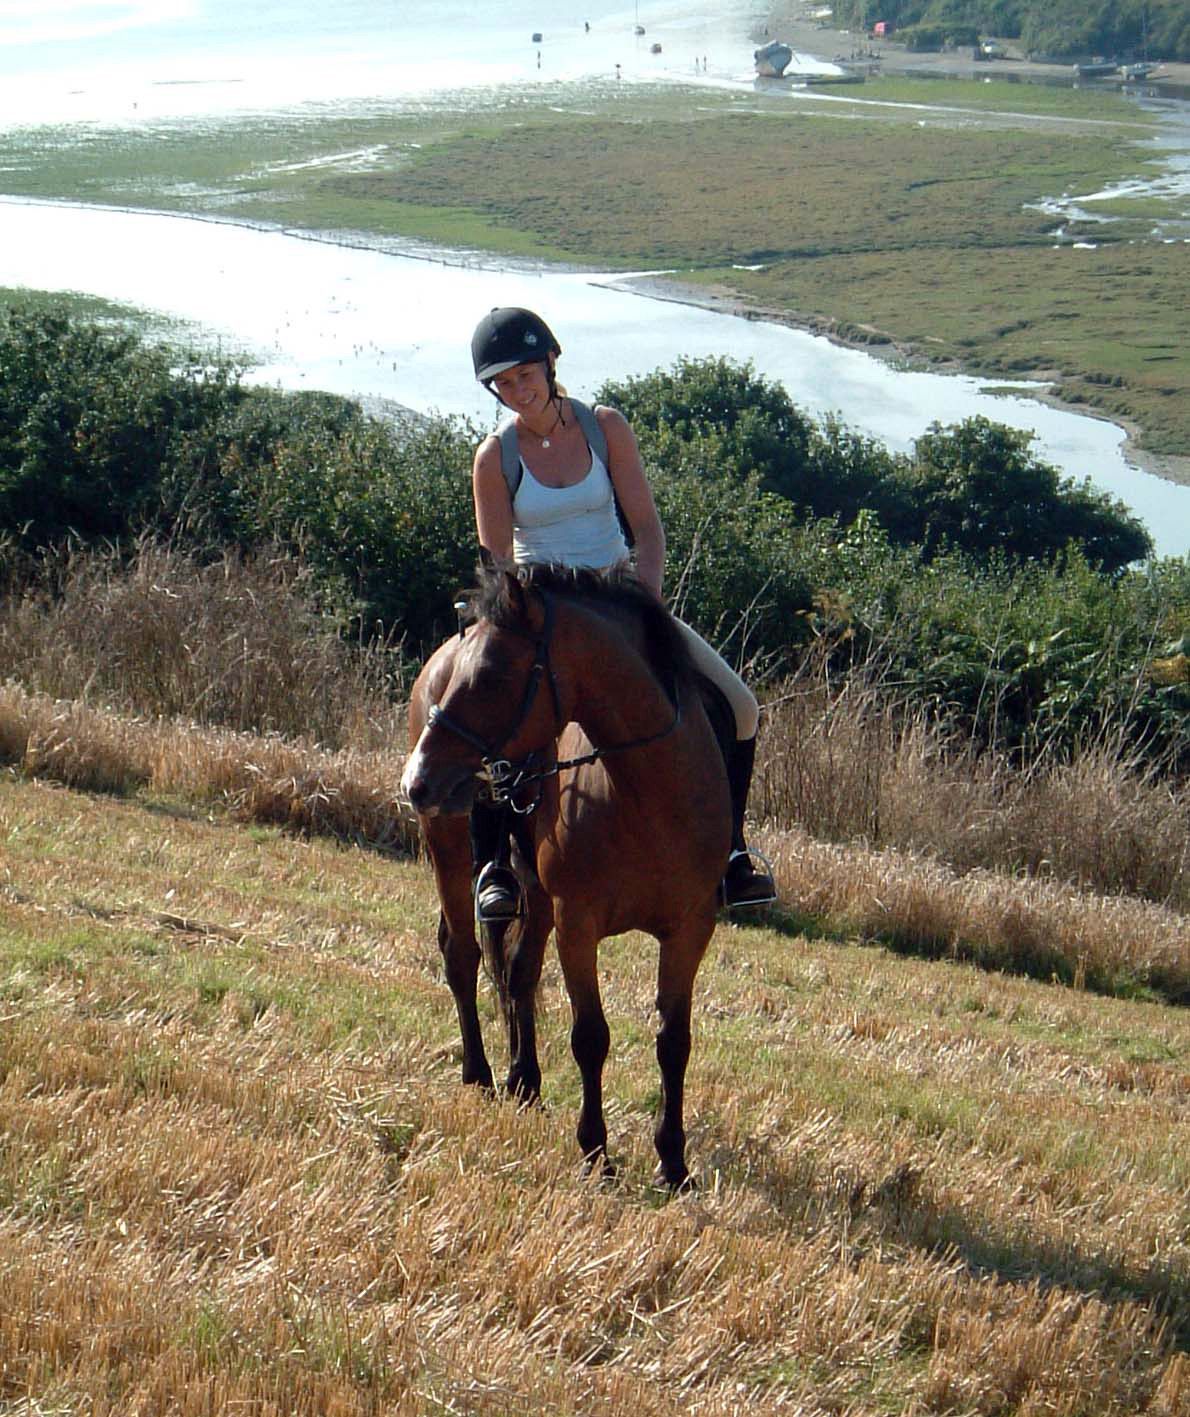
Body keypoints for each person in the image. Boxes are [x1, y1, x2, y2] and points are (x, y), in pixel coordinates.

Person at [466, 306, 776, 919]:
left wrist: (646, 609)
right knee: (486, 716)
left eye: (525, 373)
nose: (517, 390)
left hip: (622, 606)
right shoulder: (493, 460)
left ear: (552, 363)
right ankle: (495, 864)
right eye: (502, 382)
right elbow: (499, 569)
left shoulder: (606, 428)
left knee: (740, 706)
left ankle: (732, 854)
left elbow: (649, 532)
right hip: (541, 619)